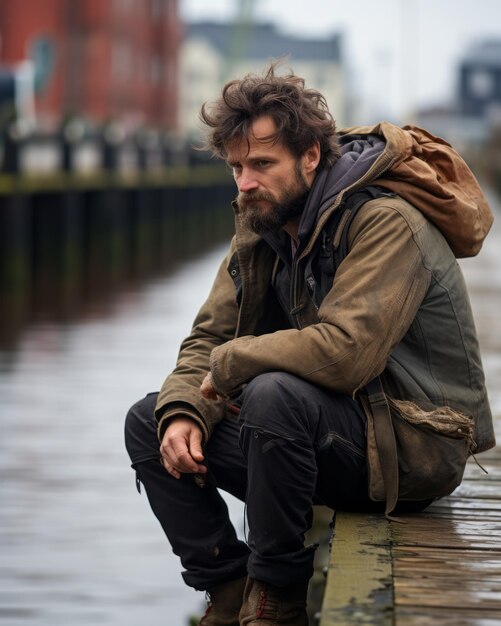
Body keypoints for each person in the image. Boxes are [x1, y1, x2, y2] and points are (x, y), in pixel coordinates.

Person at [124, 63, 495, 625]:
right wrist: (185, 411)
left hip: (410, 452)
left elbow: (346, 352)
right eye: (237, 167)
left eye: (262, 164)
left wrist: (230, 366)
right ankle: (226, 591)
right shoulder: (261, 227)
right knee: (149, 420)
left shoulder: (387, 222)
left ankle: (278, 600)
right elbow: (208, 338)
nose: (246, 182)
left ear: (312, 157)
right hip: (323, 437)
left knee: (273, 394)